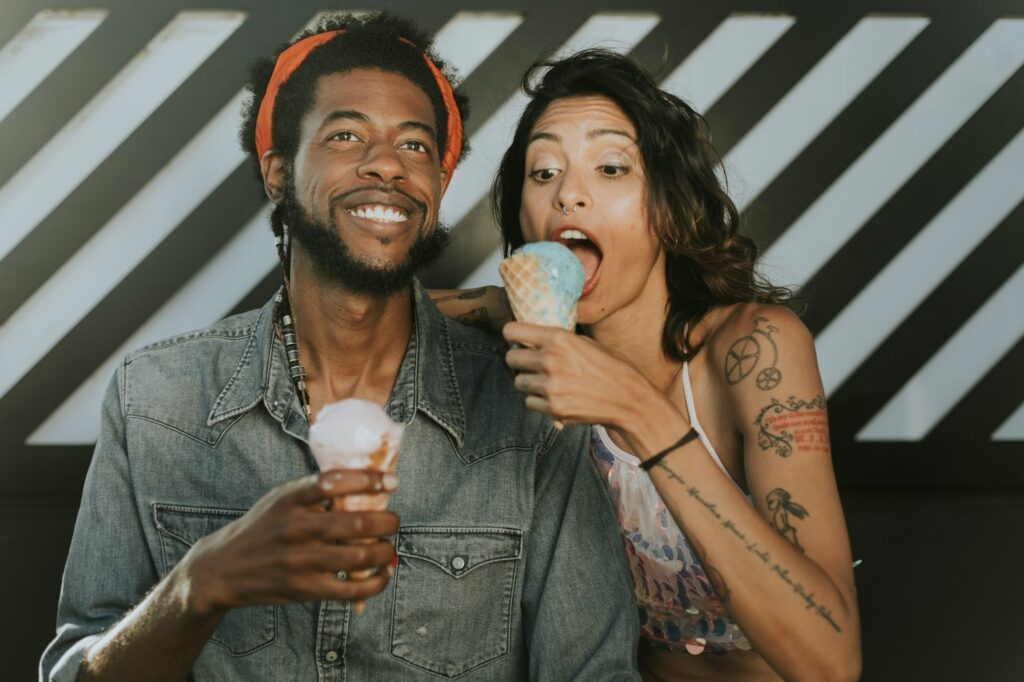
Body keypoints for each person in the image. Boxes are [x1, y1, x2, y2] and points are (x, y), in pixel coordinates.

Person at [39, 16, 640, 681]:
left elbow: (597, 671)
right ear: (276, 172)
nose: (387, 163)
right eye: (346, 135)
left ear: (437, 188)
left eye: (416, 146)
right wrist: (200, 586)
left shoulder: (530, 408)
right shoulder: (155, 398)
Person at [482, 50, 862, 681]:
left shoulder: (756, 348)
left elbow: (831, 663)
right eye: (543, 171)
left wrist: (638, 410)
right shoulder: (537, 349)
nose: (568, 195)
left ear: (670, 206)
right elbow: (395, 313)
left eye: (610, 168)